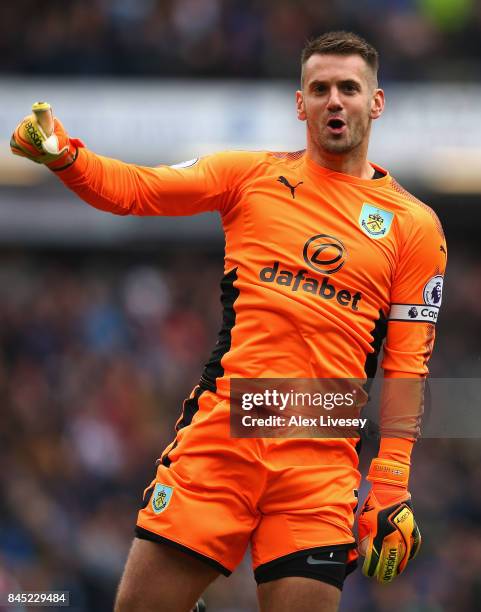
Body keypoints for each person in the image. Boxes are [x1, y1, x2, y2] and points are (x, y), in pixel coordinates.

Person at [11, 31, 446, 612]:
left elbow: (407, 361)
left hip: (320, 454)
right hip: (226, 434)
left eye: (349, 88)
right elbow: (139, 190)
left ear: (377, 101)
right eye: (320, 89)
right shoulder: (251, 177)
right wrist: (65, 155)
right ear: (301, 104)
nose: (334, 101)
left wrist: (390, 484)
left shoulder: (414, 226)